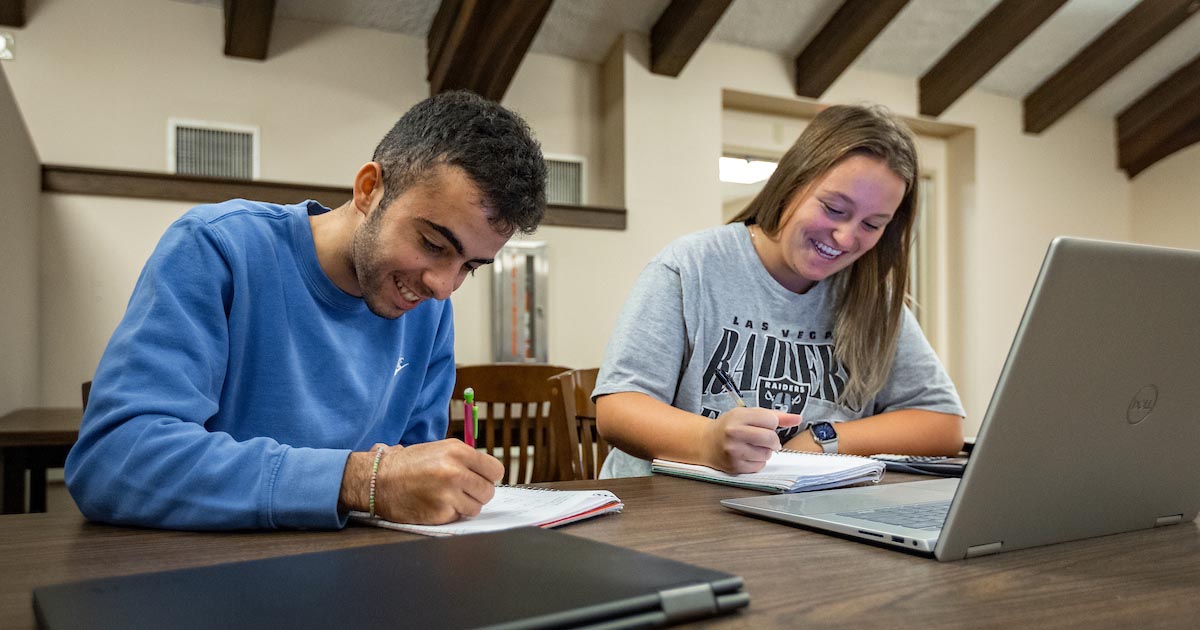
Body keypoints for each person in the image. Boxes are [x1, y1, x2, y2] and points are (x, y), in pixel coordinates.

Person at [65, 91, 548, 530]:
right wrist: (359, 480)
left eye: (471, 266)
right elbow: (114, 460)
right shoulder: (218, 248)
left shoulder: (428, 309)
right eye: (432, 243)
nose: (443, 287)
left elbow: (415, 477)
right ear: (368, 189)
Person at [593, 103, 964, 479]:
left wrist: (824, 438)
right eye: (834, 208)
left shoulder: (871, 297)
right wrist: (708, 441)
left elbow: (942, 425)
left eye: (872, 224)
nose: (846, 237)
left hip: (805, 515)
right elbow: (618, 409)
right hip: (670, 514)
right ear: (792, 182)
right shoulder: (691, 266)